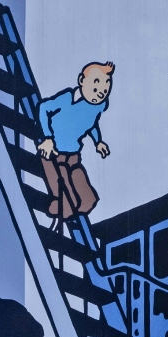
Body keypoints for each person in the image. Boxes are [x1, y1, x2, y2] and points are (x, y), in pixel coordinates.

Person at [36, 60, 115, 221]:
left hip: (73, 155)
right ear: (81, 81)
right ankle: (59, 206)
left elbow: (92, 123)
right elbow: (44, 108)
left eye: (105, 89)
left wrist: (97, 142)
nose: (100, 93)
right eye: (96, 87)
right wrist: (48, 138)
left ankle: (62, 207)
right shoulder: (67, 99)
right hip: (53, 155)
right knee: (67, 200)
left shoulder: (98, 106)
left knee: (87, 200)